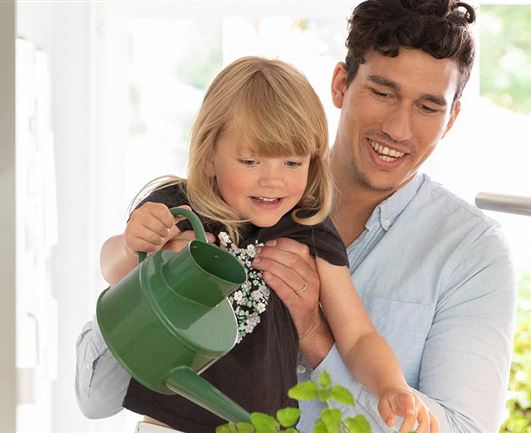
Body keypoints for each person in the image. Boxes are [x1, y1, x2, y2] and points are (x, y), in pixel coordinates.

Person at [79, 0, 515, 432]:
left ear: (453, 116)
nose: (399, 129)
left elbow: (362, 339)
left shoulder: (459, 250)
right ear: (341, 85)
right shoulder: (183, 208)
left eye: (428, 106)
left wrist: (375, 375)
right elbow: (96, 386)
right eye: (383, 92)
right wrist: (146, 259)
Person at [92, 55, 427, 433]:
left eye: (292, 163)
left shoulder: (309, 231)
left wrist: (391, 385)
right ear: (209, 158)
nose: (273, 181)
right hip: (169, 424)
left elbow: (359, 335)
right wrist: (131, 243)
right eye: (251, 161)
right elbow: (113, 270)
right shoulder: (178, 210)